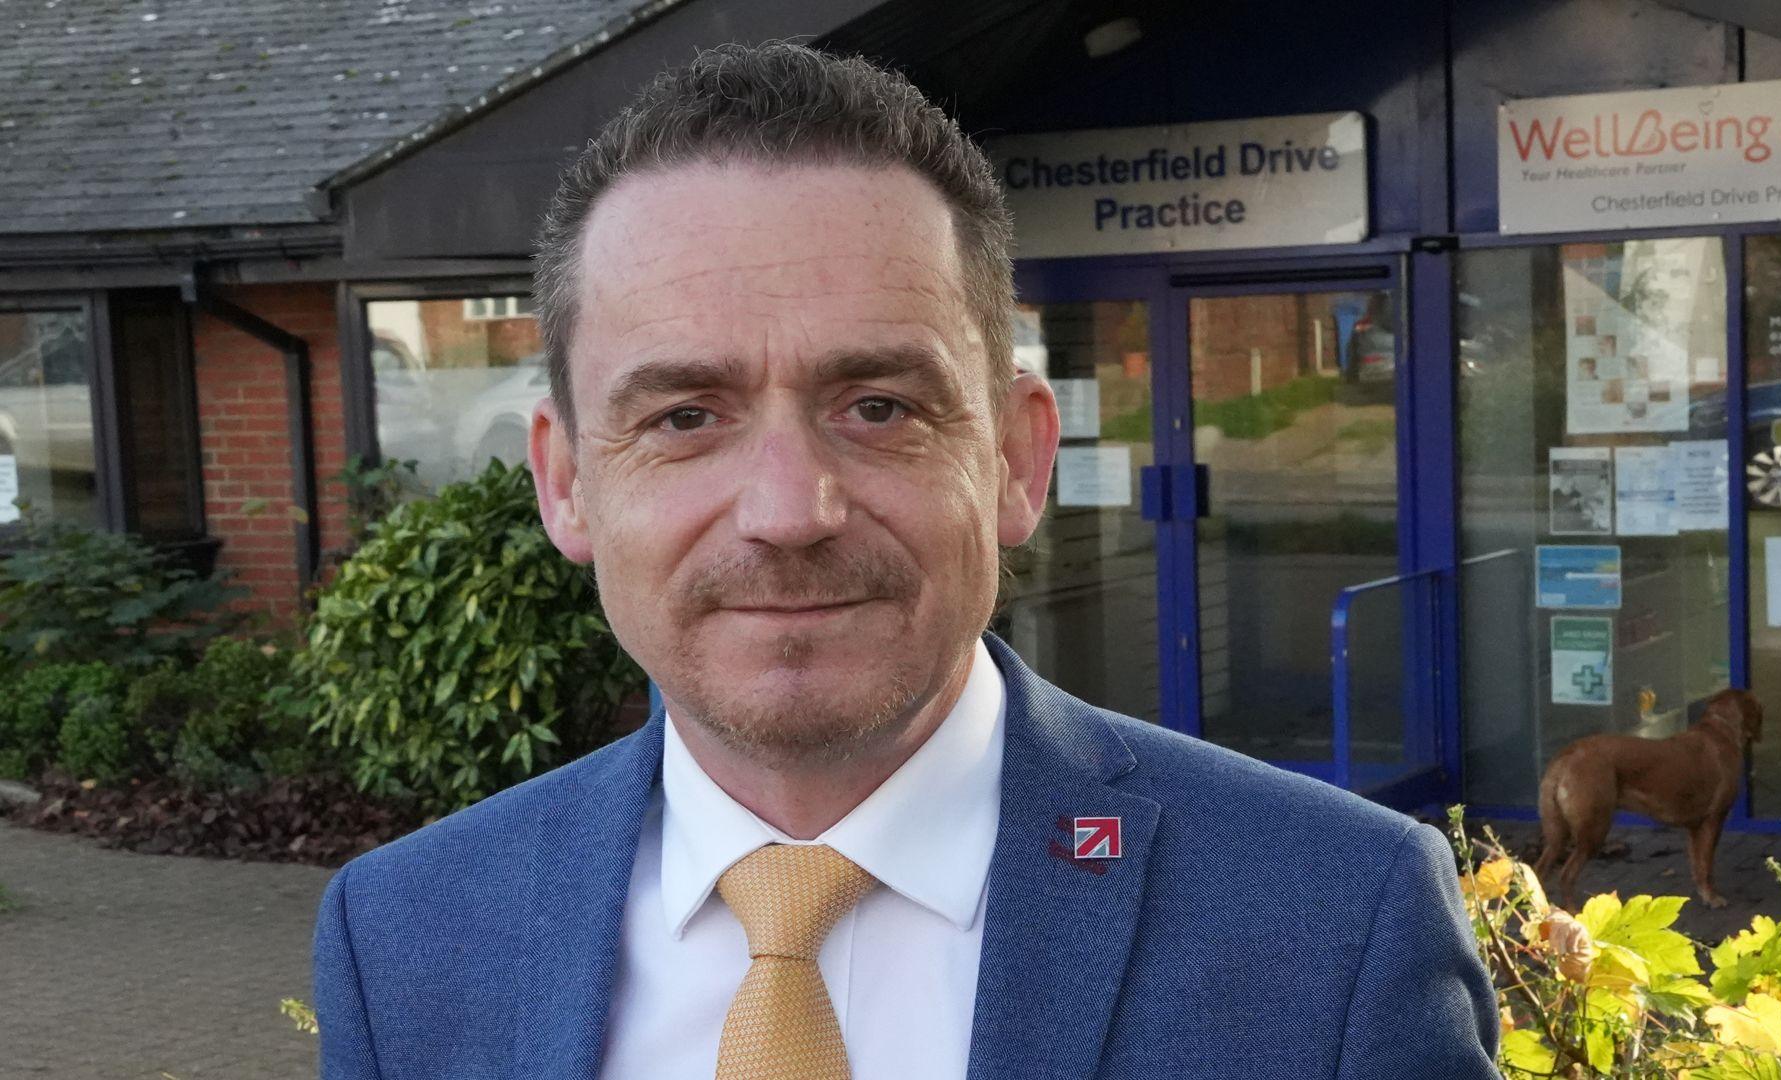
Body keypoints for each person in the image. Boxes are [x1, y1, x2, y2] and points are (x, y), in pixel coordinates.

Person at [312, 42, 1501, 1079]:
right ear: (566, 481)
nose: (788, 511)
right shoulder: (410, 936)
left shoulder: (1333, 921)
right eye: (684, 416)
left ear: (1018, 460)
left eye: (878, 406)